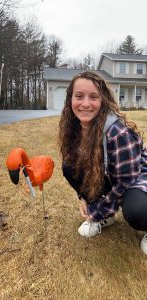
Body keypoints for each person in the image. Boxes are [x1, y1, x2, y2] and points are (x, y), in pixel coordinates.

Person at [58, 70, 147, 256]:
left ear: (103, 100)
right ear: (70, 99)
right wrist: (83, 198)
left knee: (137, 209)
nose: (85, 104)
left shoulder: (118, 132)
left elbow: (125, 182)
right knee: (69, 166)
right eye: (79, 96)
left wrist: (96, 211)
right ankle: (107, 217)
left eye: (93, 97)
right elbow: (77, 169)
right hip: (111, 175)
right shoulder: (73, 127)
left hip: (136, 178)